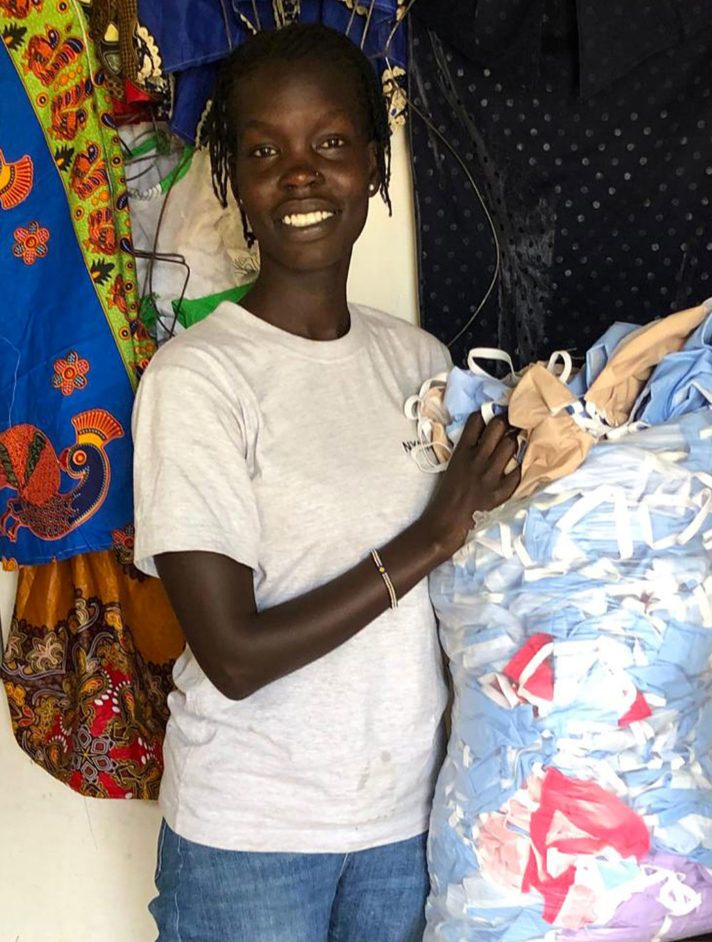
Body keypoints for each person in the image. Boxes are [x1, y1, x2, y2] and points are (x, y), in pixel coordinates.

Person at [131, 23, 520, 942]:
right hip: (251, 840)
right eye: (264, 150)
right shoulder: (198, 380)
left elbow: (453, 589)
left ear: (376, 167)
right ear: (233, 178)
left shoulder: (417, 360)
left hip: (404, 823)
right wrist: (433, 534)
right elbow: (234, 656)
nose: (300, 175)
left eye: (332, 144)